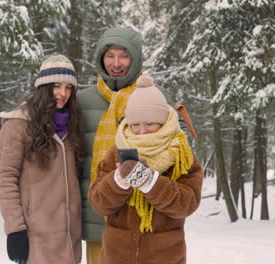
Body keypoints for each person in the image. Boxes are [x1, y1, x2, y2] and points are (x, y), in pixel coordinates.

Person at [76, 27, 193, 264]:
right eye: (110, 55)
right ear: (100, 57)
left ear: (136, 58)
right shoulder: (81, 100)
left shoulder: (156, 98)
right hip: (97, 211)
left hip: (147, 216)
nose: (116, 63)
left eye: (124, 55)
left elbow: (182, 148)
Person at [88, 74, 203, 264]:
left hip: (165, 257)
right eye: (135, 124)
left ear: (163, 121)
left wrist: (150, 182)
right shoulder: (118, 151)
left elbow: (187, 203)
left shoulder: (181, 153)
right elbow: (98, 203)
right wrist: (118, 182)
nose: (141, 131)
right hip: (117, 257)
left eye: (149, 123)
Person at [0, 55, 83, 264]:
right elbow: (4, 179)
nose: (63, 94)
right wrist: (15, 230)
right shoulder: (18, 124)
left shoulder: (73, 125)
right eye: (57, 86)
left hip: (70, 239)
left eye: (69, 88)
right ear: (43, 87)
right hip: (36, 237)